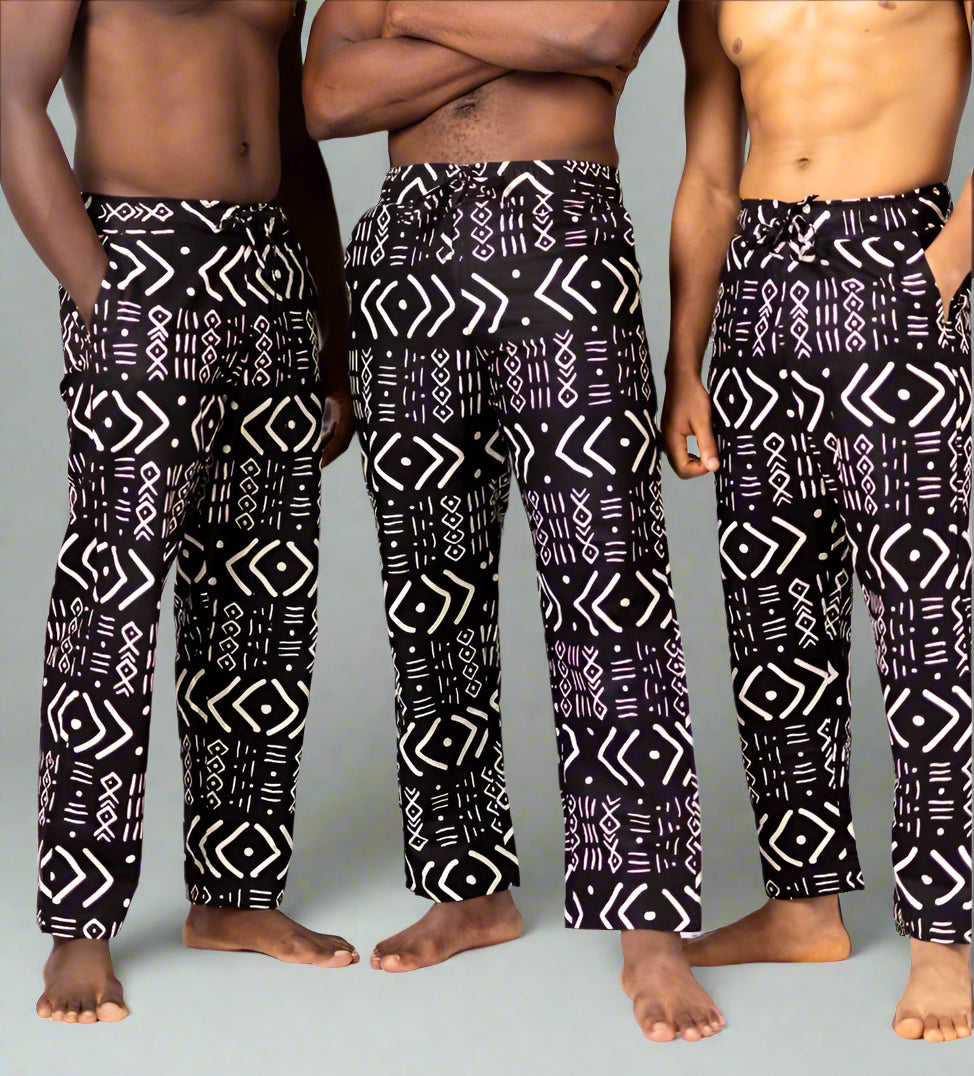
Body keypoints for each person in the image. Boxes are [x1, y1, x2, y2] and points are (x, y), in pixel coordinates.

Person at [304, 0, 725, 1044]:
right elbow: (327, 99)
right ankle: (467, 885)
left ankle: (647, 921)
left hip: (563, 234)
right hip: (408, 252)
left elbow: (597, 38)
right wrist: (523, 34)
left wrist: (408, 19)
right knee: (429, 585)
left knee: (609, 587)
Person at [0, 0, 356, 1025]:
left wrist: (329, 332)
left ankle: (235, 896)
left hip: (271, 269)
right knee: (112, 594)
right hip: (142, 257)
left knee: (260, 593)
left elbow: (291, 137)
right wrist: (101, 296)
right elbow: (13, 101)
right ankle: (79, 926)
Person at [663, 0, 972, 1043]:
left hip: (892, 262)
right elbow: (710, 174)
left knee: (926, 621)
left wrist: (943, 263)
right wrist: (685, 362)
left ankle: (942, 936)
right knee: (773, 617)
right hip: (754, 287)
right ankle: (802, 906)